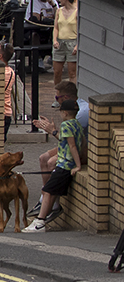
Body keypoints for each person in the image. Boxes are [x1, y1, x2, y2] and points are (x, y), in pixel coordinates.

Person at [30, 80, 89, 218]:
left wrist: (53, 131)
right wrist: (51, 128)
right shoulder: (72, 108)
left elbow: (70, 141)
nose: (55, 101)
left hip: (81, 150)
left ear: (66, 97)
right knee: (43, 158)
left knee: (51, 162)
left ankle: (51, 199)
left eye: (57, 98)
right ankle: (46, 198)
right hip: (70, 145)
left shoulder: (80, 113)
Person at [24, 99, 83, 232]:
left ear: (65, 113)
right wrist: (52, 129)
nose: (60, 114)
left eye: (61, 111)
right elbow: (75, 142)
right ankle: (42, 218)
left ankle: (40, 222)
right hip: (66, 164)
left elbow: (72, 146)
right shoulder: (77, 124)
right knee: (49, 191)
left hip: (64, 165)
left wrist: (77, 165)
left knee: (47, 191)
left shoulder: (66, 125)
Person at [51, 0, 78, 102]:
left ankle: (72, 97)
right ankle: (58, 97)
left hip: (72, 42)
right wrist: (54, 40)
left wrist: (77, 45)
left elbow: (81, 30)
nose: (59, 0)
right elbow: (56, 27)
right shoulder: (59, 11)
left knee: (72, 72)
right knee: (57, 71)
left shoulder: (77, 11)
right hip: (60, 43)